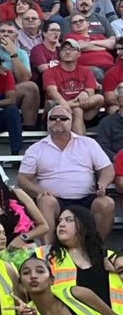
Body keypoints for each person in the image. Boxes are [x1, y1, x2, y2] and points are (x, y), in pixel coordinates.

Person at [19, 104, 116, 242]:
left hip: (88, 197)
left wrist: (103, 183)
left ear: (71, 121)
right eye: (53, 118)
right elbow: (22, 178)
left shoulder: (88, 143)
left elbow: (107, 169)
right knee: (45, 201)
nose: (58, 120)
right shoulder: (36, 149)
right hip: (55, 200)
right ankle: (48, 250)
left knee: (106, 203)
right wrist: (40, 191)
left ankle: (96, 248)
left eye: (63, 118)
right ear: (47, 122)